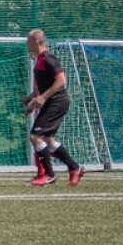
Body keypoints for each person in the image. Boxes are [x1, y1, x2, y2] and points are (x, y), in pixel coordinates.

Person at [23, 29, 85, 187]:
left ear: (37, 42)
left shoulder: (49, 59)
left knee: (35, 137)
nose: (26, 43)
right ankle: (74, 168)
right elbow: (41, 85)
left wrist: (43, 97)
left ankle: (48, 175)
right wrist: (33, 98)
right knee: (48, 140)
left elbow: (61, 81)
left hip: (57, 102)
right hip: (52, 102)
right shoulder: (39, 59)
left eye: (28, 40)